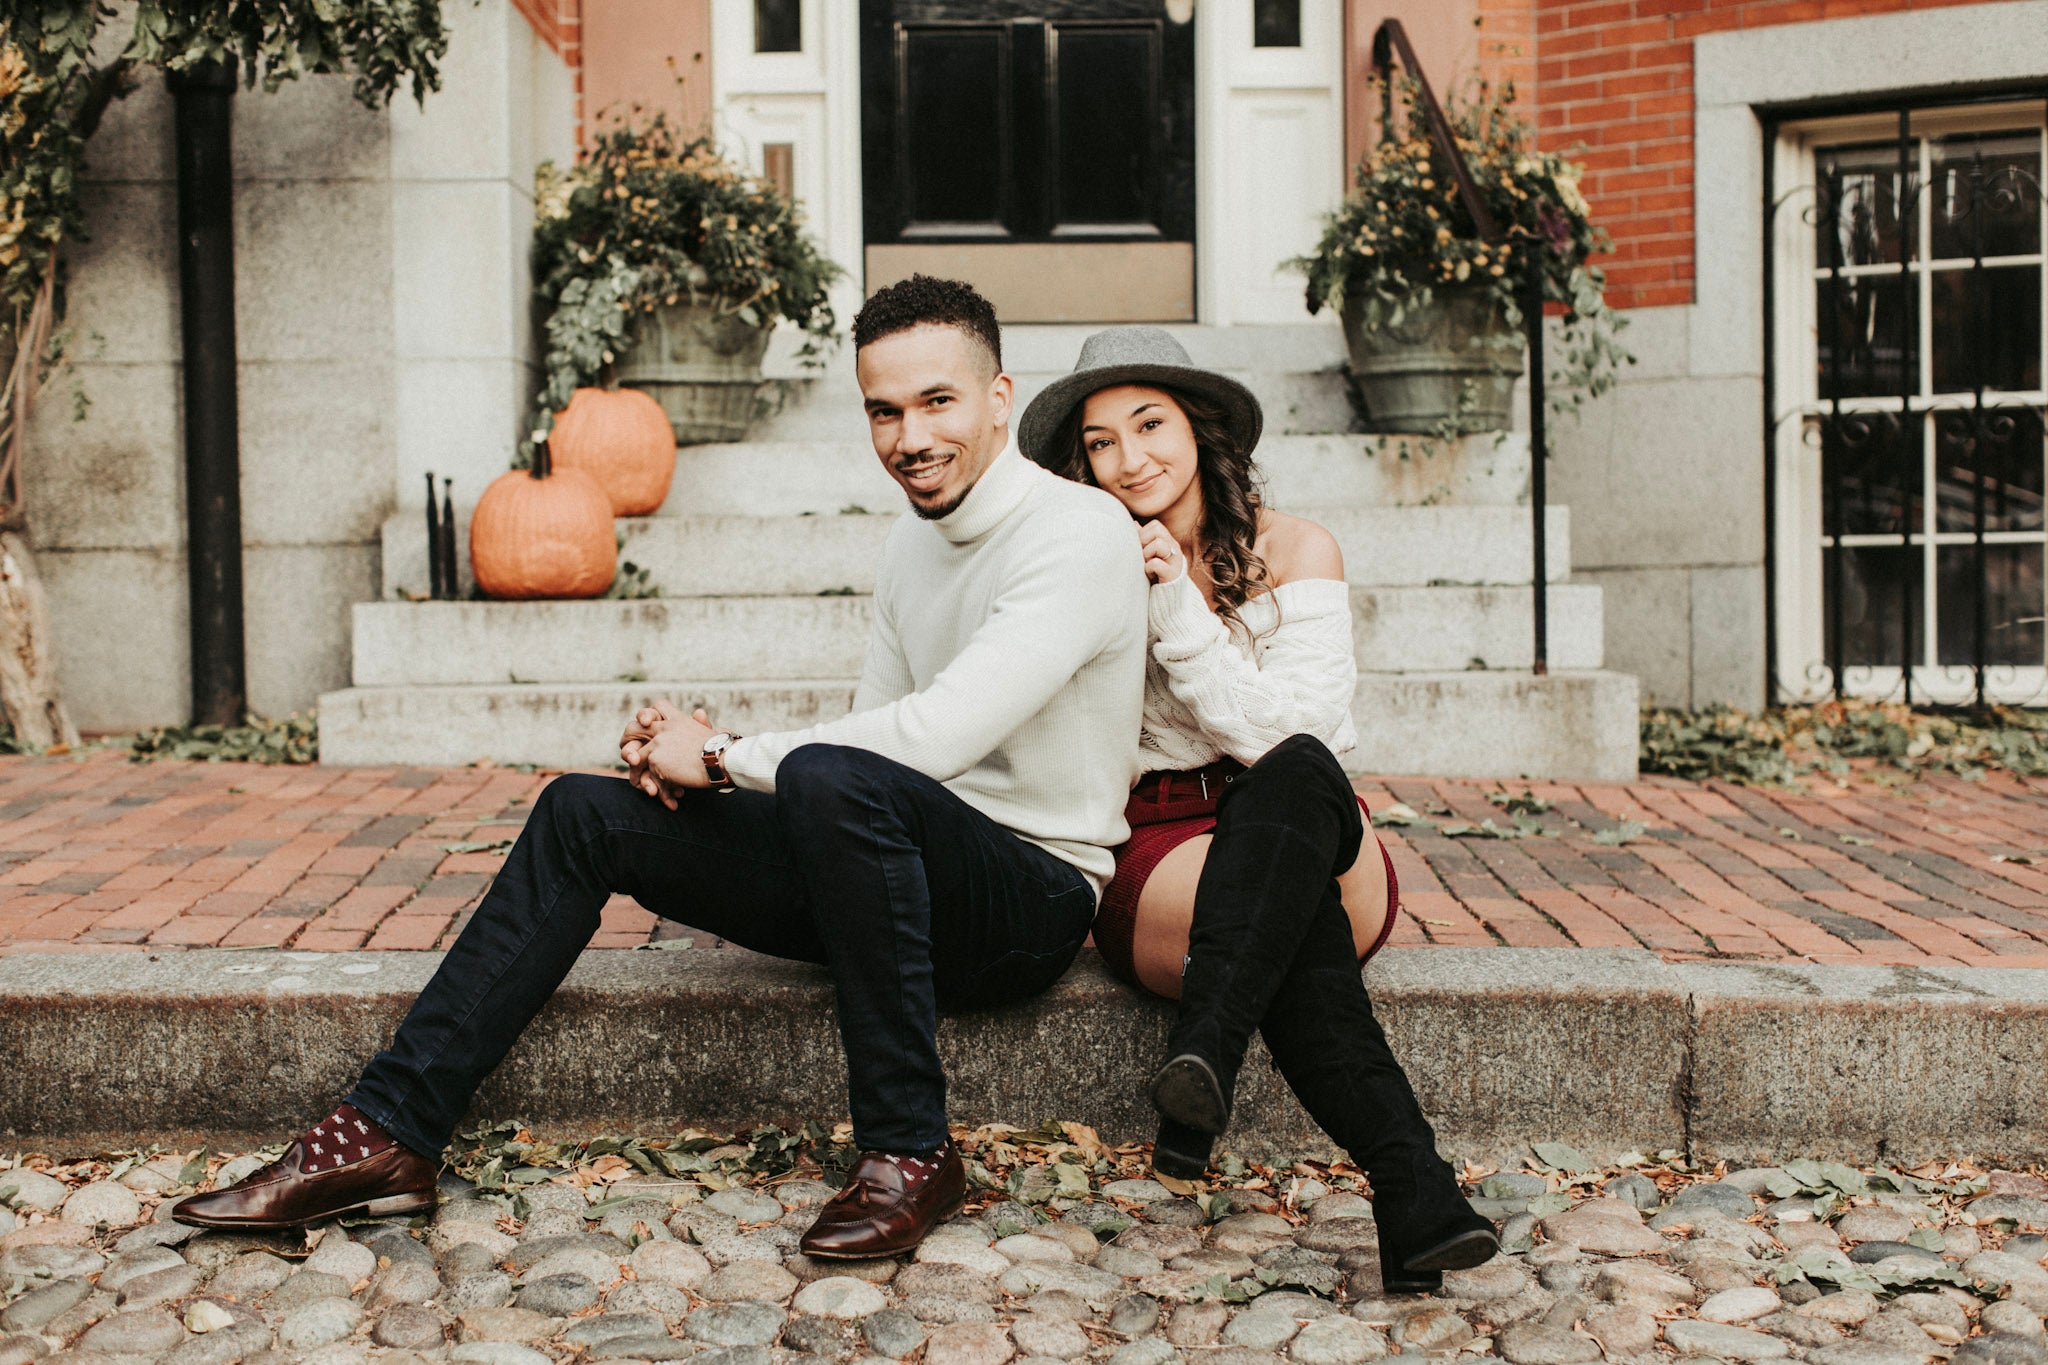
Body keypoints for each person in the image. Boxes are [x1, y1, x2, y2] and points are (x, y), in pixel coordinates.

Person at [174, 277, 1150, 1260]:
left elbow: (931, 739)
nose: (909, 438)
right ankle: (384, 1136)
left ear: (997, 399)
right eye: (883, 411)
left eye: (936, 402)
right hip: (895, 877)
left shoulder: (1076, 532)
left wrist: (721, 757)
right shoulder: (910, 541)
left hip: (1026, 904)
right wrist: (703, 767)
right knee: (581, 814)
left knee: (828, 778)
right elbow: (872, 733)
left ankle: (909, 1153)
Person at [1016, 326, 1497, 1294]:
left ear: (1197, 431)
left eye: (1148, 424)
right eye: (1100, 441)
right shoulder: (1074, 562)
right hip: (1161, 851)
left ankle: (1207, 1051)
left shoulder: (1295, 547)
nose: (1128, 458)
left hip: (1303, 820)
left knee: (1290, 776)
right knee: (1285, 920)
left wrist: (1178, 611)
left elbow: (1296, 736)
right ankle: (1415, 1191)